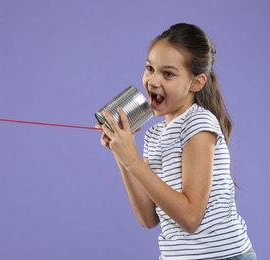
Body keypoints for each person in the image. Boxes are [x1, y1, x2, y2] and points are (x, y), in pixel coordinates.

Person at [98, 23, 256, 260]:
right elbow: (148, 218)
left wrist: (132, 160)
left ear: (197, 82)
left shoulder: (198, 124)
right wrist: (121, 154)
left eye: (168, 73)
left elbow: (191, 218)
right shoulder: (153, 136)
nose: (153, 80)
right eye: (150, 68)